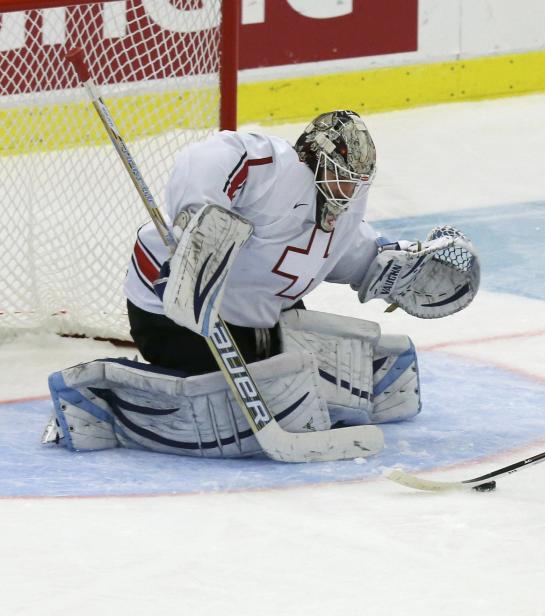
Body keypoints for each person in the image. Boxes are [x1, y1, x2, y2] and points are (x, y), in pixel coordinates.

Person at [42, 110, 481, 458]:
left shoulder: (343, 211)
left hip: (256, 315)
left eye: (356, 183)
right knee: (224, 409)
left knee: (317, 392)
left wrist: (400, 270)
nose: (347, 192)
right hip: (175, 304)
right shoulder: (272, 167)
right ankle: (100, 395)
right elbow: (210, 156)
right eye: (341, 177)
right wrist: (200, 220)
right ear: (312, 158)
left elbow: (356, 255)